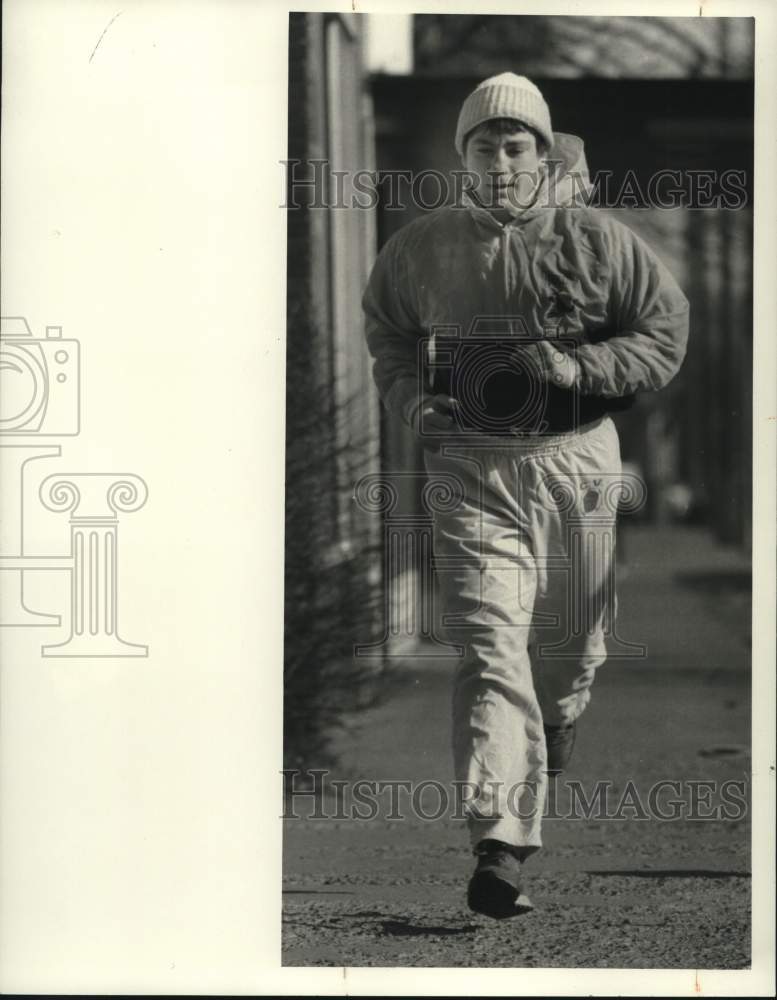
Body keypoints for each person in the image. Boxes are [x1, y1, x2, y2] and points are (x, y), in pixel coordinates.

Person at [362, 73, 689, 919]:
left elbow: (662, 333)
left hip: (574, 460)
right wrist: (410, 401)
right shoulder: (421, 247)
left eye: (516, 146)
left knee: (571, 643)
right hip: (469, 469)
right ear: (461, 156)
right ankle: (498, 844)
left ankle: (562, 709)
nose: (500, 161)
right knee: (487, 647)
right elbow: (389, 331)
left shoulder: (599, 242)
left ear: (542, 154)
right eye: (483, 146)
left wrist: (578, 367)